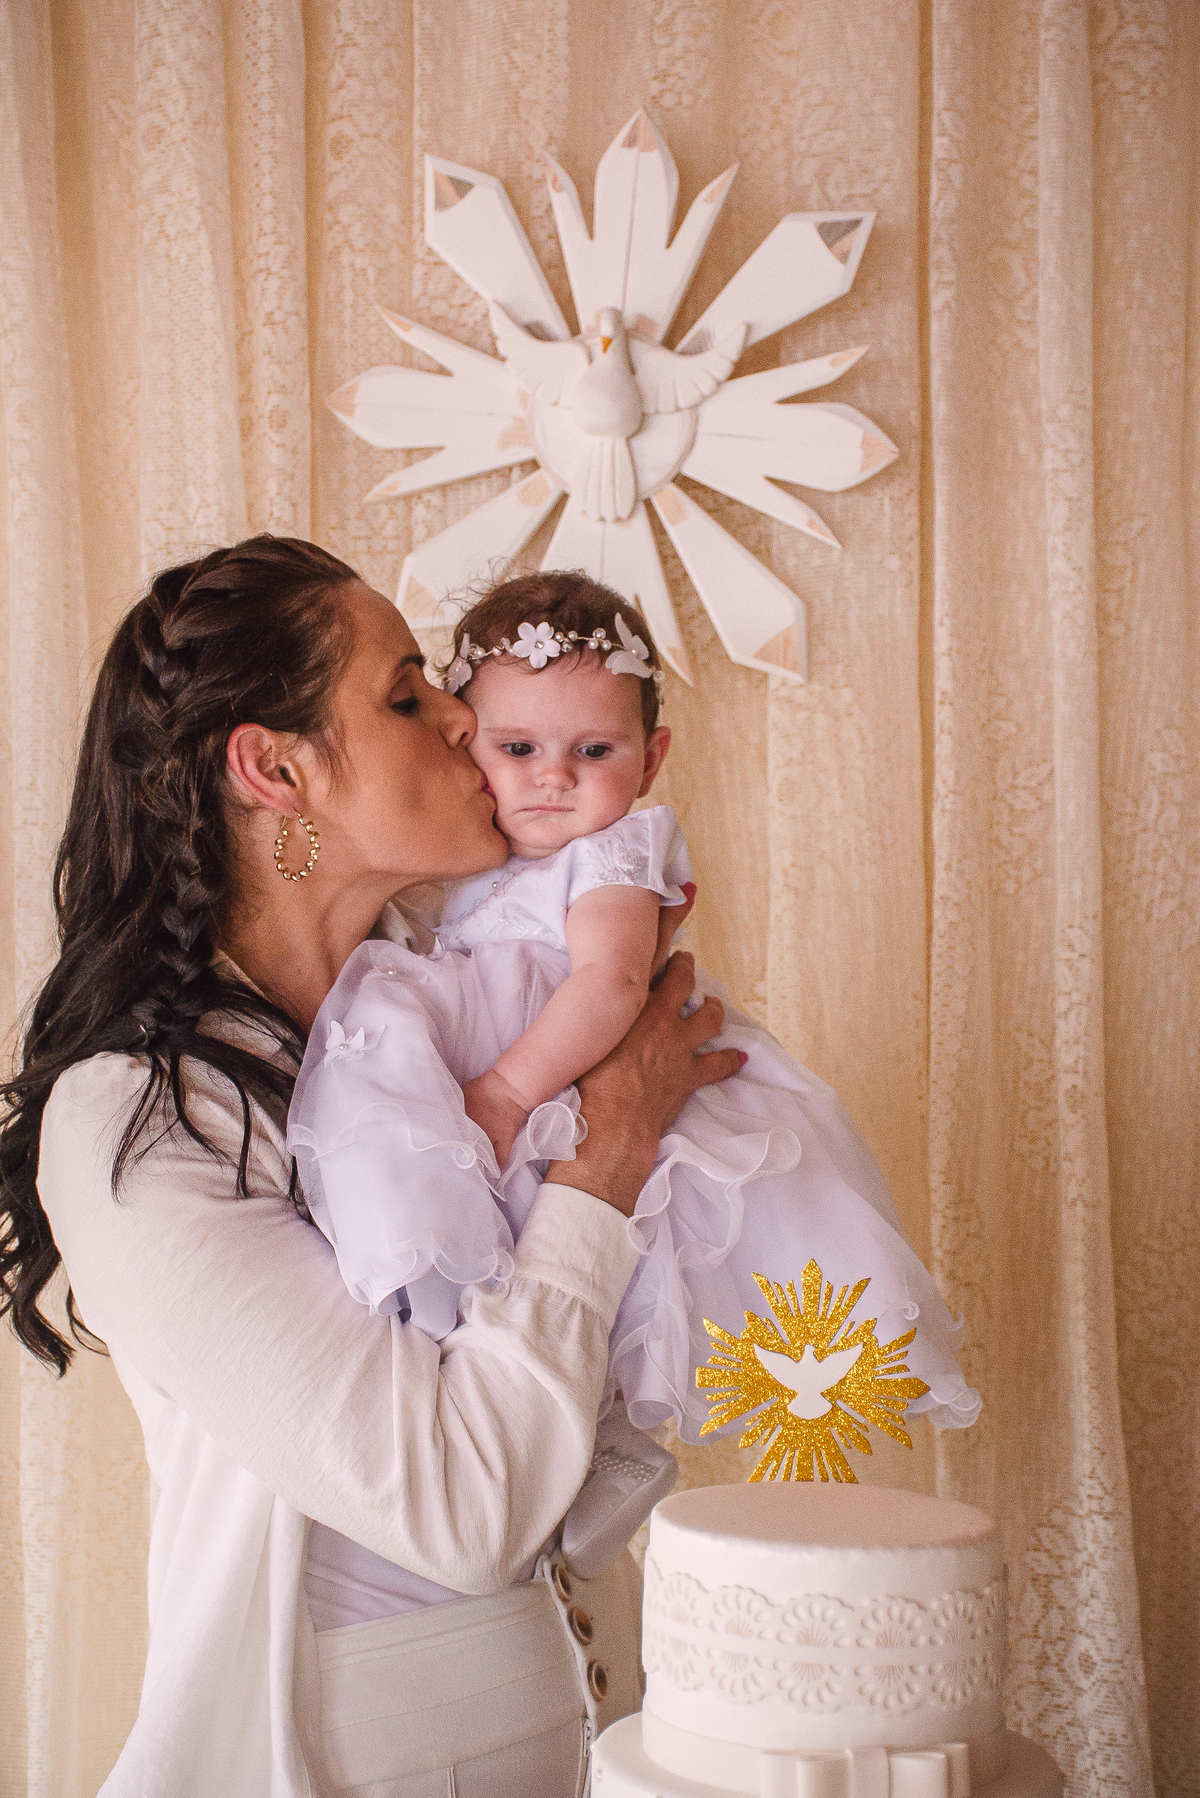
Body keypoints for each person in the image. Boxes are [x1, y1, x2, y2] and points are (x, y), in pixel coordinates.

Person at [0, 536, 743, 1798]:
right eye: (406, 695)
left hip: (604, 1735)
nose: (462, 715)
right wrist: (608, 1146)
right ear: (274, 770)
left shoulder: (482, 998)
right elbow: (464, 1509)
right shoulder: (145, 1117)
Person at [287, 572, 982, 1451]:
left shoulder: (613, 854)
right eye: (518, 748)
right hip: (523, 1094)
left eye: (594, 751)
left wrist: (505, 1092)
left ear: (649, 760)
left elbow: (612, 984)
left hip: (546, 1075)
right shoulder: (463, 854)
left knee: (609, 1283)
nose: (553, 778)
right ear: (468, 744)